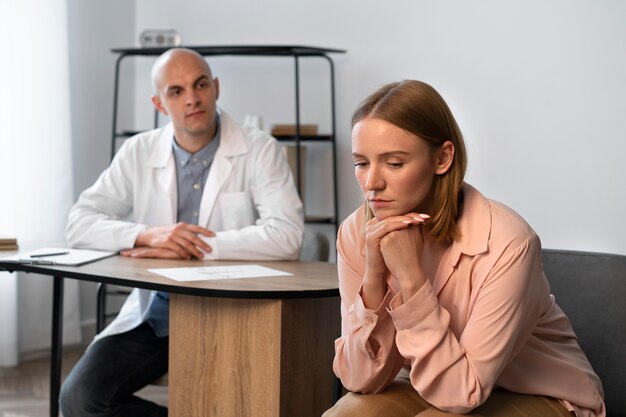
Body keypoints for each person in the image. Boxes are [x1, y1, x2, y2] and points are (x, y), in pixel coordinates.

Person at [323, 80, 605, 417]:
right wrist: (374, 278)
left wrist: (412, 280)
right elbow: (360, 380)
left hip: (541, 392)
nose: (372, 184)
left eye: (394, 163)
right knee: (348, 413)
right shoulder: (357, 232)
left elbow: (462, 394)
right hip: (428, 385)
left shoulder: (510, 241)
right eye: (361, 163)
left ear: (442, 158)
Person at [60, 48, 304, 417]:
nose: (192, 98)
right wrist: (149, 236)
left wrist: (194, 247)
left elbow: (287, 235)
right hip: (158, 314)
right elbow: (79, 223)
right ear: (159, 104)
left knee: (243, 401)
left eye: (200, 84)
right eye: (176, 91)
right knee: (80, 400)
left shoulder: (259, 149)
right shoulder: (138, 151)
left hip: (232, 312)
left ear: (216, 88)